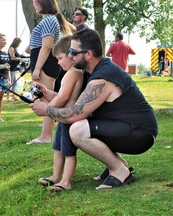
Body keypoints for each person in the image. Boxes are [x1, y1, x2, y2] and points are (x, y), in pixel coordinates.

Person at [29, 29, 158, 190]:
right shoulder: (92, 72)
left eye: (73, 52)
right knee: (82, 125)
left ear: (88, 54)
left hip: (141, 133)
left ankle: (119, 171)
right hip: (125, 127)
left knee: (78, 129)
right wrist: (48, 94)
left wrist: (47, 110)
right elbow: (79, 102)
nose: (70, 56)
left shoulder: (103, 76)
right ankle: (118, 163)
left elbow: (74, 114)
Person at [37, 36, 84, 191]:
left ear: (71, 55)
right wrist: (46, 94)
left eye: (60, 58)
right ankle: (55, 176)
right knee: (58, 149)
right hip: (62, 120)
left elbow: (64, 98)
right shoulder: (69, 73)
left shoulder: (73, 73)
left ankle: (66, 181)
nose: (58, 62)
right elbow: (60, 95)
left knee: (69, 152)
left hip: (68, 120)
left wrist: (48, 108)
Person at [25, 0, 61, 144]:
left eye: (36, 2)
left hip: (45, 65)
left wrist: (38, 68)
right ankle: (45, 135)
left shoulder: (49, 20)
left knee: (46, 100)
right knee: (43, 98)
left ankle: (46, 136)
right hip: (42, 62)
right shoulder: (48, 20)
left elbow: (46, 47)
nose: (34, 5)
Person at [7, 37, 23, 102]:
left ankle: (14, 96)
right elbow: (12, 57)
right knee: (10, 83)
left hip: (14, 69)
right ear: (16, 43)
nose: (19, 45)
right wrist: (20, 58)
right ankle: (8, 97)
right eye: (19, 43)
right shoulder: (11, 48)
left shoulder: (15, 49)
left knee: (14, 83)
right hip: (10, 68)